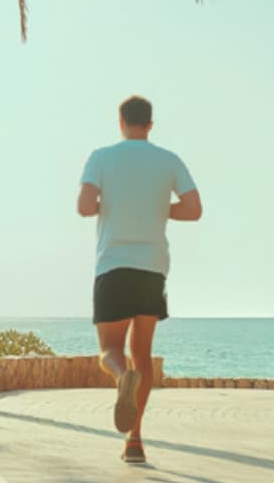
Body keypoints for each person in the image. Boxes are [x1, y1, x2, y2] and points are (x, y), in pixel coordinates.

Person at [77, 95, 202, 464]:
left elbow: (84, 206)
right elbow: (194, 210)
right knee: (142, 354)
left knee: (110, 352)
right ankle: (134, 440)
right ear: (150, 124)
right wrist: (158, 208)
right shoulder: (169, 160)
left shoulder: (101, 157)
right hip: (152, 268)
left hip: (113, 266)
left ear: (121, 122)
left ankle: (121, 378)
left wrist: (112, 205)